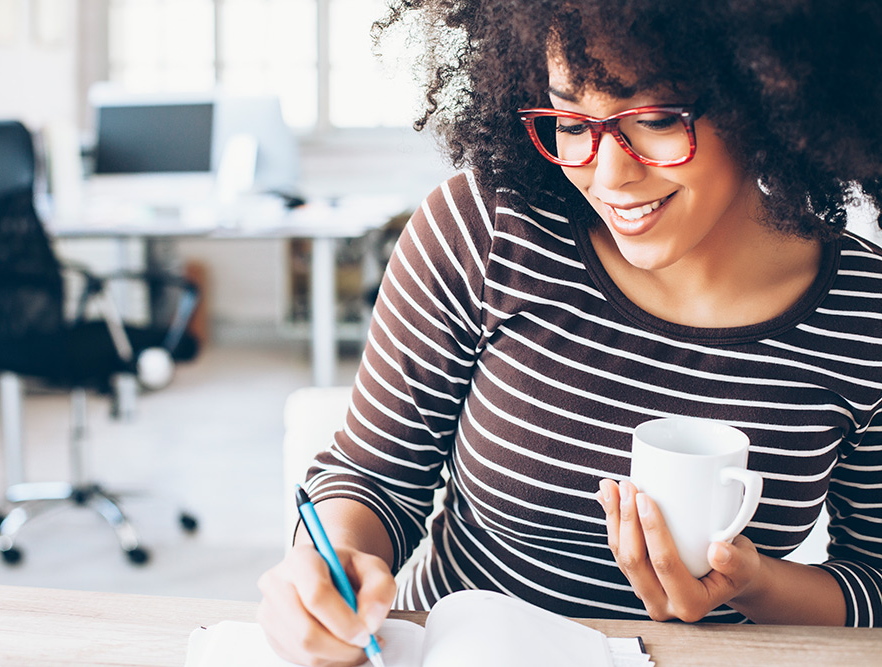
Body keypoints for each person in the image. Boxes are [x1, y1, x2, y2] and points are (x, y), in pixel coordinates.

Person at [257, 1, 882, 664]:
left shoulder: (866, 313)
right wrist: (326, 570)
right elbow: (375, 477)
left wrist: (755, 585)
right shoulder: (486, 233)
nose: (608, 175)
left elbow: (874, 578)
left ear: (770, 95)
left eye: (656, 118)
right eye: (571, 121)